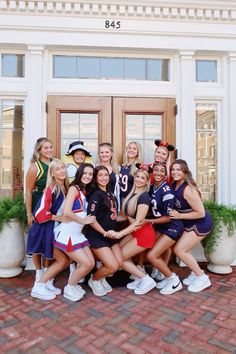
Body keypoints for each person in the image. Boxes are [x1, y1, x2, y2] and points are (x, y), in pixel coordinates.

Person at [107, 164, 157, 295]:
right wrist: (106, 219)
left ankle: (147, 280)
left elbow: (138, 222)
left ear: (147, 181)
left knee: (119, 259)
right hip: (136, 233)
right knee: (118, 254)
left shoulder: (144, 197)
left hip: (144, 234)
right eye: (138, 177)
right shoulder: (132, 194)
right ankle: (140, 277)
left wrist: (120, 233)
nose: (139, 180)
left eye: (143, 178)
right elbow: (126, 216)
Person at [27, 159, 70, 300]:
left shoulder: (65, 187)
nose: (61, 170)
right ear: (52, 173)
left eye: (63, 167)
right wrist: (59, 218)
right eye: (57, 169)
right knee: (46, 253)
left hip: (52, 227)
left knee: (50, 255)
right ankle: (39, 284)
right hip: (43, 227)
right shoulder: (51, 188)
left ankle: (46, 282)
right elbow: (40, 213)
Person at [54, 163, 96, 301]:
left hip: (78, 234)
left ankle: (73, 285)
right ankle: (69, 287)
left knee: (90, 263)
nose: (88, 176)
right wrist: (83, 221)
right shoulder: (73, 188)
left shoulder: (83, 190)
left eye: (90, 174)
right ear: (79, 174)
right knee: (85, 264)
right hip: (69, 234)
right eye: (85, 173)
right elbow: (67, 212)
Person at [169, 159, 212, 293]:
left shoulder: (189, 189)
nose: (175, 172)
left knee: (180, 250)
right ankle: (195, 273)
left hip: (200, 223)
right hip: (190, 222)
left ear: (185, 172)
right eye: (173, 169)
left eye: (178, 170)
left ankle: (202, 277)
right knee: (183, 249)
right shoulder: (175, 184)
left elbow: (200, 212)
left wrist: (179, 216)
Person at [145, 161, 184, 295]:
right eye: (156, 170)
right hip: (161, 226)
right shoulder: (151, 187)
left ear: (166, 174)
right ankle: (164, 274)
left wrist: (148, 220)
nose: (159, 173)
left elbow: (168, 217)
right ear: (152, 172)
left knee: (152, 255)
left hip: (172, 226)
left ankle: (173, 280)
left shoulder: (167, 191)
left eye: (162, 171)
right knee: (161, 248)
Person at [85, 165, 123, 297]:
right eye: (100, 175)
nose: (103, 178)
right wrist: (104, 233)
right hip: (98, 235)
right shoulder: (96, 195)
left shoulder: (110, 193)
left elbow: (113, 215)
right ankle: (94, 279)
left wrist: (135, 220)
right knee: (112, 266)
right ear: (95, 178)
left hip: (111, 234)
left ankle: (102, 277)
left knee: (118, 263)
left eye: (106, 175)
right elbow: (91, 219)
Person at [25, 137, 54, 281]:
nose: (49, 150)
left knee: (49, 240)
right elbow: (29, 191)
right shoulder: (35, 167)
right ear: (39, 150)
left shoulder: (55, 164)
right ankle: (38, 272)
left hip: (52, 209)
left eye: (50, 147)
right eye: (45, 148)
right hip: (38, 208)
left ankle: (48, 270)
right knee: (36, 239)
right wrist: (29, 213)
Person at [150, 139, 175, 281]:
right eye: (158, 152)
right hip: (154, 209)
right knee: (158, 241)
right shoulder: (150, 167)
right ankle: (158, 266)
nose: (160, 155)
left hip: (165, 210)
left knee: (165, 243)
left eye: (163, 154)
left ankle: (161, 268)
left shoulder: (169, 172)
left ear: (167, 156)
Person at [96, 143, 120, 209]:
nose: (104, 154)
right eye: (102, 152)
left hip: (113, 203)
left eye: (107, 152)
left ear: (111, 153)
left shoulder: (117, 168)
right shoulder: (94, 167)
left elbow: (117, 190)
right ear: (99, 154)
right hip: (98, 203)